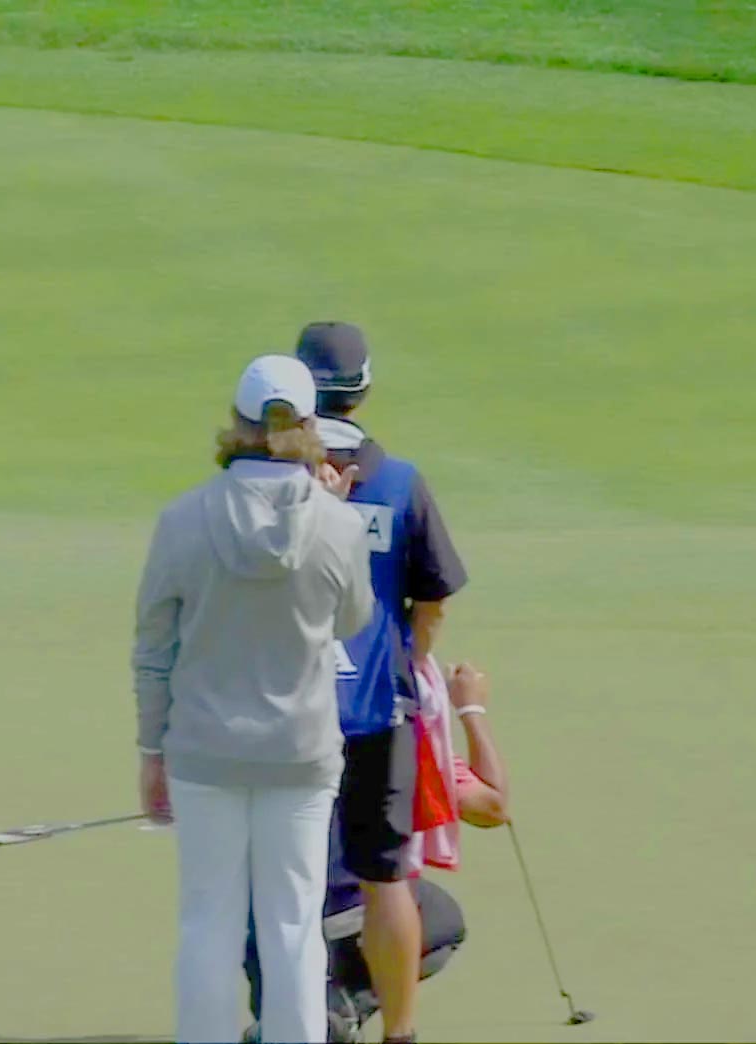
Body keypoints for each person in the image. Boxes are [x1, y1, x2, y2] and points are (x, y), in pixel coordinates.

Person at [133, 354, 375, 1044]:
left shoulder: (182, 519)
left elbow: (154, 649)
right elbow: (352, 619)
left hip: (204, 751)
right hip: (299, 754)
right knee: (294, 927)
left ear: (237, 424)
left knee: (207, 920)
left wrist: (151, 748)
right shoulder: (338, 525)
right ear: (308, 429)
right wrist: (336, 508)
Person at [295, 322, 469, 1043]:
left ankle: (294, 1017)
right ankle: (398, 1033)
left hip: (290, 711)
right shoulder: (398, 482)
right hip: (377, 712)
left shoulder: (271, 480)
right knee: (385, 877)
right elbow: (430, 605)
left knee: (286, 878)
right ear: (364, 392)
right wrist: (403, 666)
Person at [242, 658, 511, 1043]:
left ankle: (303, 1010)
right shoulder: (393, 739)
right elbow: (492, 807)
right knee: (439, 917)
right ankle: (345, 1007)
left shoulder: (262, 727)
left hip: (264, 922)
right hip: (353, 912)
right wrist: (471, 709)